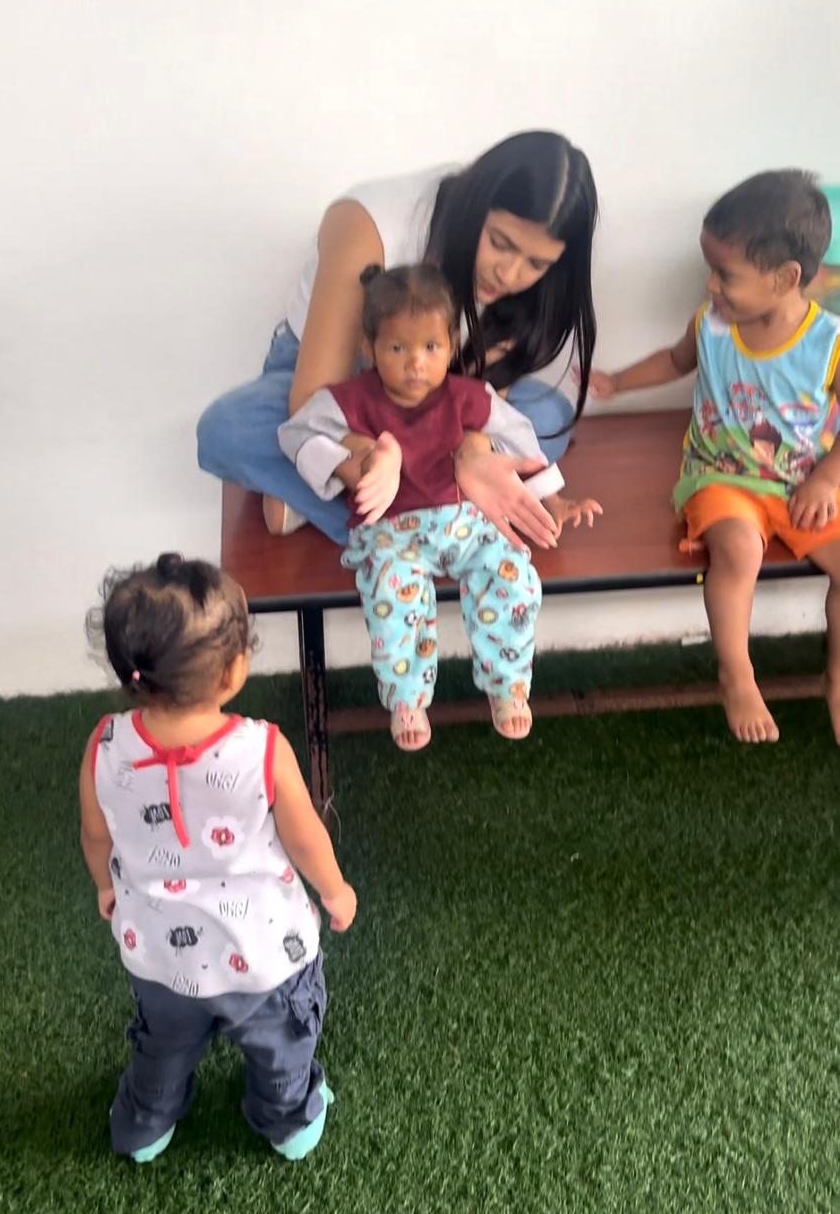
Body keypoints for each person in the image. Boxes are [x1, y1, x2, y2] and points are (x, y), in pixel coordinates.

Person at [78, 553, 357, 1163]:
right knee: (281, 1044)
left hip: (159, 956)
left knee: (161, 1045)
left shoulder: (105, 743)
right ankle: (287, 1121)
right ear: (233, 671)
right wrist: (335, 890)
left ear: (131, 673)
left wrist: (104, 884)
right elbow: (306, 837)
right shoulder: (262, 749)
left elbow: (95, 834)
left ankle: (144, 1125)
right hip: (265, 956)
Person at [197, 131, 598, 550]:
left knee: (549, 413)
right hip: (339, 387)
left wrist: (473, 452)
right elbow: (314, 406)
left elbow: (482, 397)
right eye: (500, 244)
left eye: (536, 264)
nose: (509, 275)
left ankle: (332, 495)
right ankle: (433, 517)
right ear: (475, 206)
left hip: (441, 390)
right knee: (230, 428)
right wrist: (368, 463)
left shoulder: (533, 291)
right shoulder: (367, 224)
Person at [278, 263, 601, 750]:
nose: (415, 364)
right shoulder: (349, 400)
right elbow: (295, 434)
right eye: (397, 348)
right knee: (393, 593)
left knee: (514, 577)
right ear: (368, 348)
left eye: (431, 347)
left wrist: (553, 497)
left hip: (467, 522)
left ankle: (508, 686)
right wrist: (350, 458)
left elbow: (517, 436)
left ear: (451, 345)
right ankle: (407, 699)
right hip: (391, 532)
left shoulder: (467, 396)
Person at [590, 170, 840, 744]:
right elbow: (675, 361)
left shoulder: (828, 342)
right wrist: (617, 382)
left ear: (786, 278)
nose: (710, 285)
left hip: (802, 483)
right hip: (719, 478)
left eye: (725, 274)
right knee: (737, 551)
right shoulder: (712, 326)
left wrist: (826, 480)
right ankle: (737, 675)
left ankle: (836, 675)